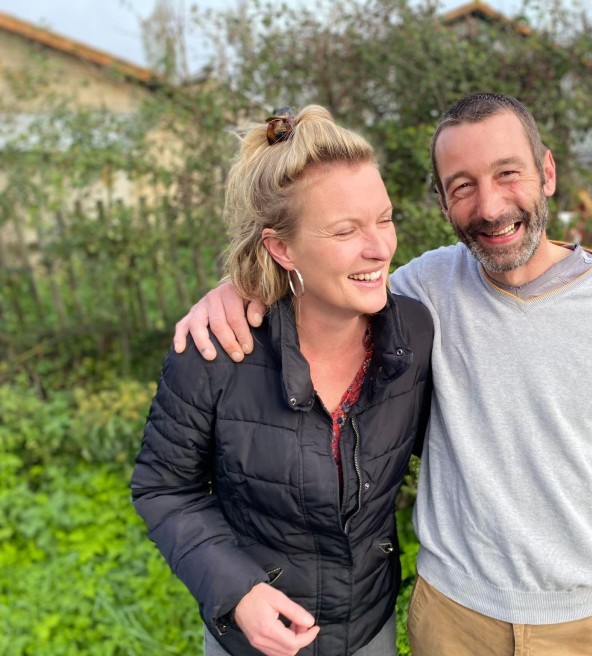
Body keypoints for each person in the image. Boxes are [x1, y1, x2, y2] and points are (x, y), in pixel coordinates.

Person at [174, 93, 592, 656]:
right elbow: (327, 284)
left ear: (547, 172)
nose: (490, 206)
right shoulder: (426, 290)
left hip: (581, 625)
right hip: (449, 618)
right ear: (442, 202)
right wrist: (238, 289)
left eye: (508, 173)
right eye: (462, 186)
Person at [131, 105, 433, 656]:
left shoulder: (413, 332)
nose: (380, 248)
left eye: (385, 219)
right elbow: (164, 488)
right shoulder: (215, 351)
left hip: (369, 629)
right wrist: (238, 591)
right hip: (251, 642)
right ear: (281, 248)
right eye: (345, 230)